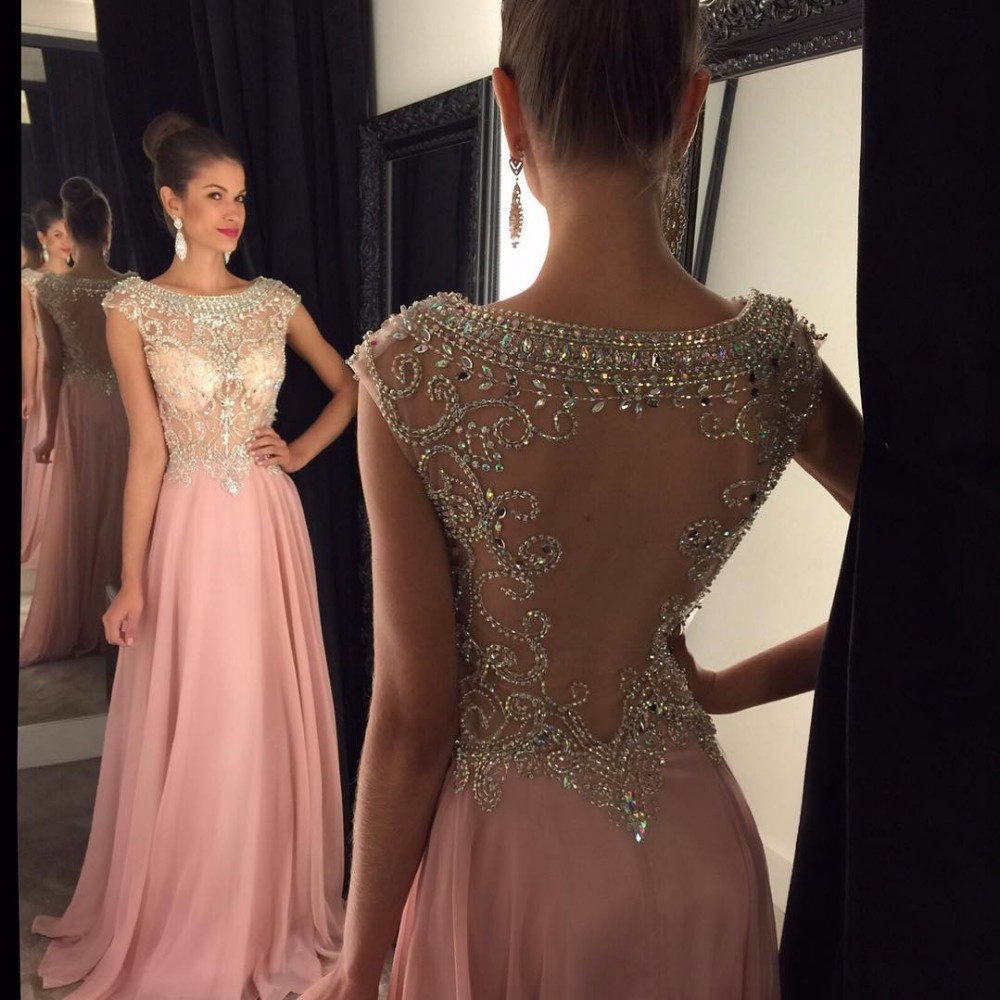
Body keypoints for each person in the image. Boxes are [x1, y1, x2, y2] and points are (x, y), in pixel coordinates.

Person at [302, 1, 864, 998]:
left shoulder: (418, 372)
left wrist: (356, 963)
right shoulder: (770, 361)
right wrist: (721, 687)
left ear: (508, 108)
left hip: (512, 872)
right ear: (690, 108)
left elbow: (415, 722)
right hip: (702, 858)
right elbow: (935, 578)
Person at [33, 112, 356, 999]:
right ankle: (199, 908)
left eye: (240, 196)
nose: (233, 212)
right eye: (215, 196)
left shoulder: (274, 300)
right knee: (205, 711)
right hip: (186, 527)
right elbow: (146, 452)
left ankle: (270, 901)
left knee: (264, 707)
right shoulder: (132, 308)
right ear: (172, 202)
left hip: (268, 526)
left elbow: (351, 384)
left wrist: (300, 450)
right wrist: (133, 579)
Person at [19, 180, 131, 666]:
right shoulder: (128, 287)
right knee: (119, 505)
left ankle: (80, 618)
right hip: (124, 405)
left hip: (77, 408)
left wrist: (47, 430)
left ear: (72, 230)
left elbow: (52, 364)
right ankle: (115, 613)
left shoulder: (49, 289)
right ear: (107, 228)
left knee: (80, 509)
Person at [21, 204, 73, 565]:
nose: (65, 241)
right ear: (42, 238)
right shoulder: (30, 281)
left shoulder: (83, 278)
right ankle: (49, 538)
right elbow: (29, 339)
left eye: (69, 233)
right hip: (46, 374)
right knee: (50, 453)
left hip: (80, 373)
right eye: (57, 235)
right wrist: (28, 389)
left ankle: (74, 531)